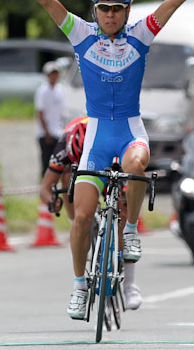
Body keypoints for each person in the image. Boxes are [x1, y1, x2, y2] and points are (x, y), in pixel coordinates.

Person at [0, 0, 194, 319]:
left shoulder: (142, 34)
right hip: (98, 136)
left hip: (130, 130)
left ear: (128, 9)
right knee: (82, 216)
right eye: (104, 9)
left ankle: (131, 228)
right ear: (95, 10)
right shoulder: (81, 34)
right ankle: (79, 286)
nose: (111, 15)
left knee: (137, 165)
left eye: (118, 9)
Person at [38, 116, 143, 310]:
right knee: (68, 179)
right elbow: (45, 187)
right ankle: (77, 226)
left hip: (109, 157)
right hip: (82, 171)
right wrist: (52, 200)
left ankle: (130, 285)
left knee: (122, 209)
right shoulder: (65, 145)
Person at [35, 61, 65, 177]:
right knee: (46, 163)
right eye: (51, 74)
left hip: (58, 131)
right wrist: (46, 132)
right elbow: (40, 113)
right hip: (46, 133)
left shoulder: (60, 89)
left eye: (55, 74)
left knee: (58, 163)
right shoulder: (42, 91)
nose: (54, 76)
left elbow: (62, 111)